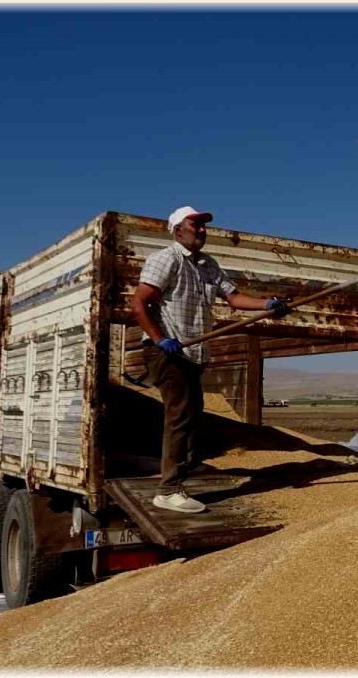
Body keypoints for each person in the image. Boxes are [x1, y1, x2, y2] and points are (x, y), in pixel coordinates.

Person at [130, 206, 291, 514]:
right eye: (196, 225)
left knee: (193, 414)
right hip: (167, 351)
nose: (203, 230)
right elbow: (139, 304)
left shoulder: (208, 264)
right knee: (180, 416)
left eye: (204, 226)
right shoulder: (166, 259)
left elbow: (234, 298)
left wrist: (268, 304)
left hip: (192, 352)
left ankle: (182, 473)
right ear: (178, 231)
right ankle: (168, 490)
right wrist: (159, 338)